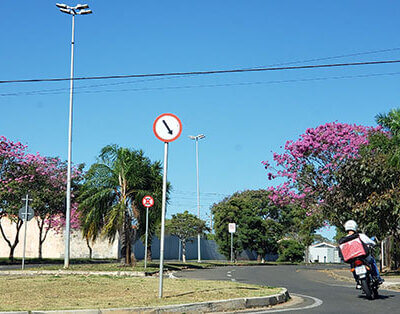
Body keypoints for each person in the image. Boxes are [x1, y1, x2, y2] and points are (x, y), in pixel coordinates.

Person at [342, 220, 384, 286]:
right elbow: (372, 243)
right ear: (355, 227)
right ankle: (377, 278)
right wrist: (373, 244)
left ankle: (358, 282)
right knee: (372, 261)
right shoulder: (360, 236)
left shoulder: (344, 239)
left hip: (353, 259)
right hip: (364, 257)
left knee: (353, 267)